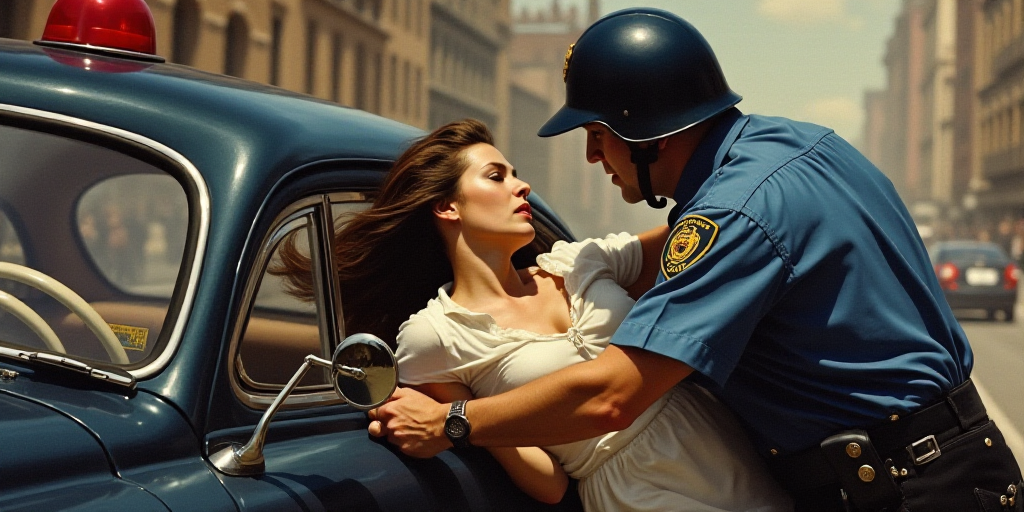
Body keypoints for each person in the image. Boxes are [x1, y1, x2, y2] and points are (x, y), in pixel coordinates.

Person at [368, 8, 1024, 512]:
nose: (594, 158)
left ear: (645, 133)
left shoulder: (733, 214)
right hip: (943, 466)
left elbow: (614, 396)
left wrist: (454, 419)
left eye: (599, 136)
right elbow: (663, 251)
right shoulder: (799, 147)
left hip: (905, 487)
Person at [276, 119, 791, 510]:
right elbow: (547, 482)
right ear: (447, 208)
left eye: (517, 175)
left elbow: (711, 231)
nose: (521, 186)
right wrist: (461, 424)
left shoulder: (579, 261)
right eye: (497, 176)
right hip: (639, 490)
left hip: (726, 452)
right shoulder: (433, 337)